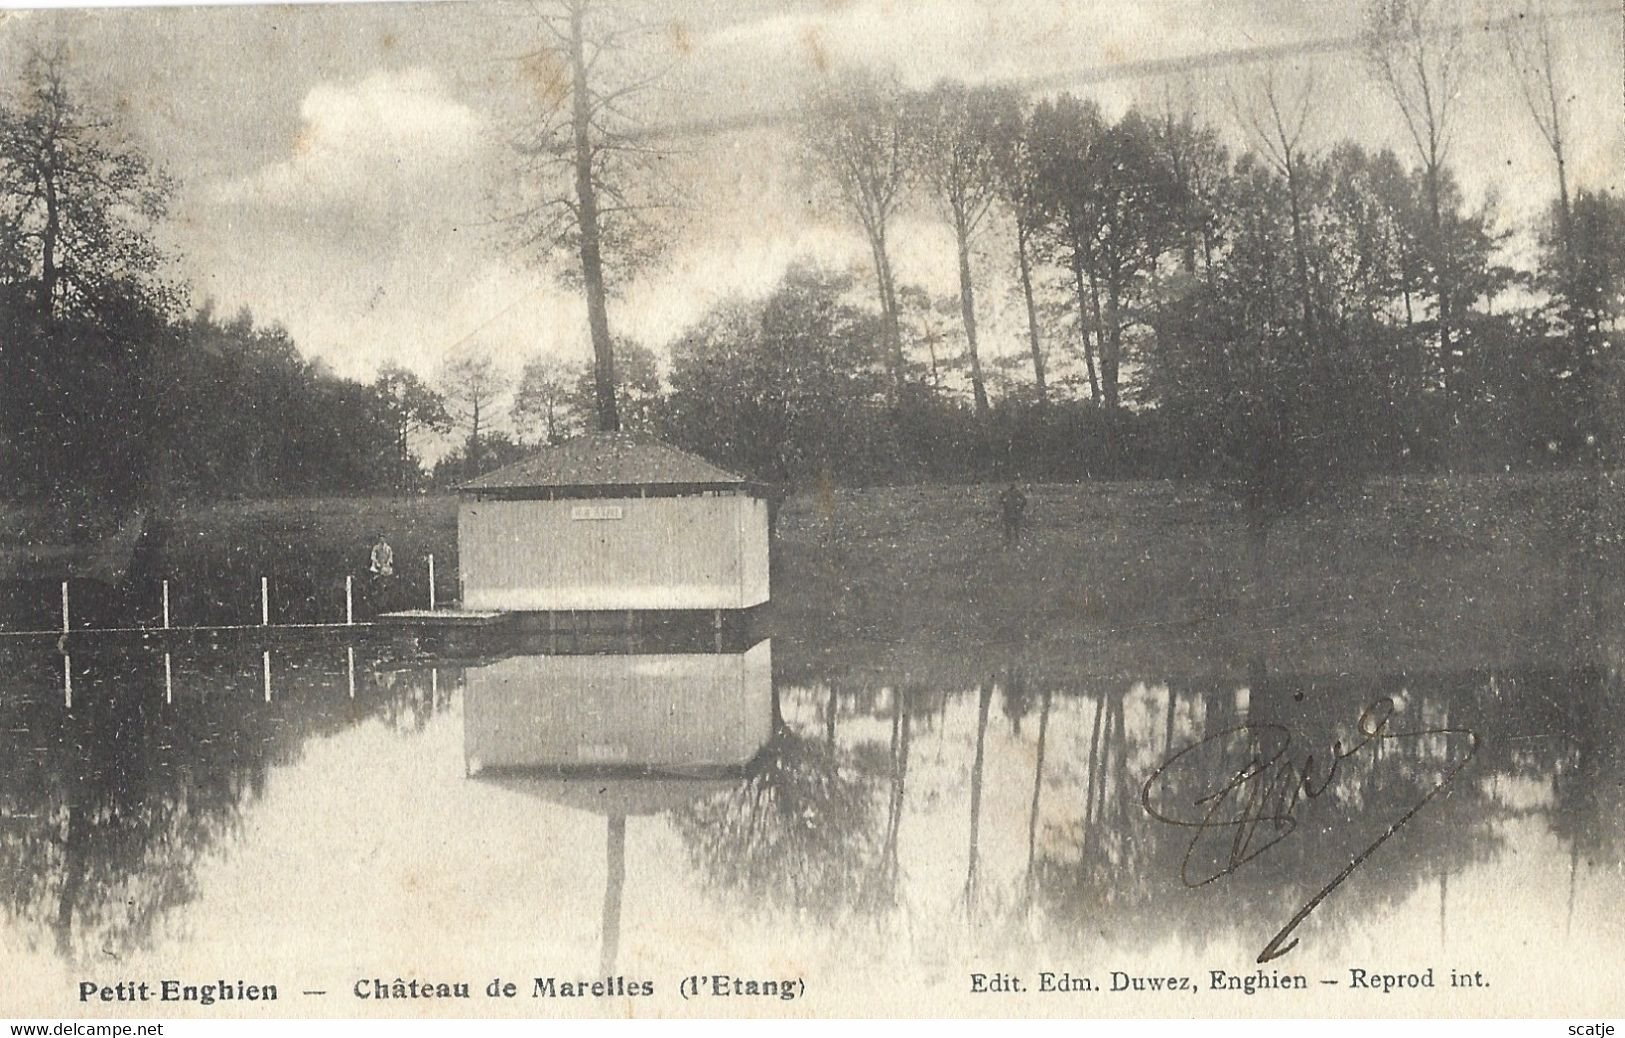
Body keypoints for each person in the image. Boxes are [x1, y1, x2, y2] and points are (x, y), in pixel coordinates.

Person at [368, 532, 395, 613]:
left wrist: (387, 563)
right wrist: (377, 563)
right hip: (377, 567)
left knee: (387, 578)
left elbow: (390, 557)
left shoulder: (388, 548)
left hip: (385, 567)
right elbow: (373, 556)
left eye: (383, 537)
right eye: (381, 538)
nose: (382, 539)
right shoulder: (376, 548)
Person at [997, 483, 1027, 547]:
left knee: (1014, 530)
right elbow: (1000, 501)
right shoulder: (1010, 493)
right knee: (1012, 530)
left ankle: (1014, 543)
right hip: (1011, 513)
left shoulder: (1012, 493)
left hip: (1013, 513)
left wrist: (1005, 504)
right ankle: (1011, 543)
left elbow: (1024, 501)